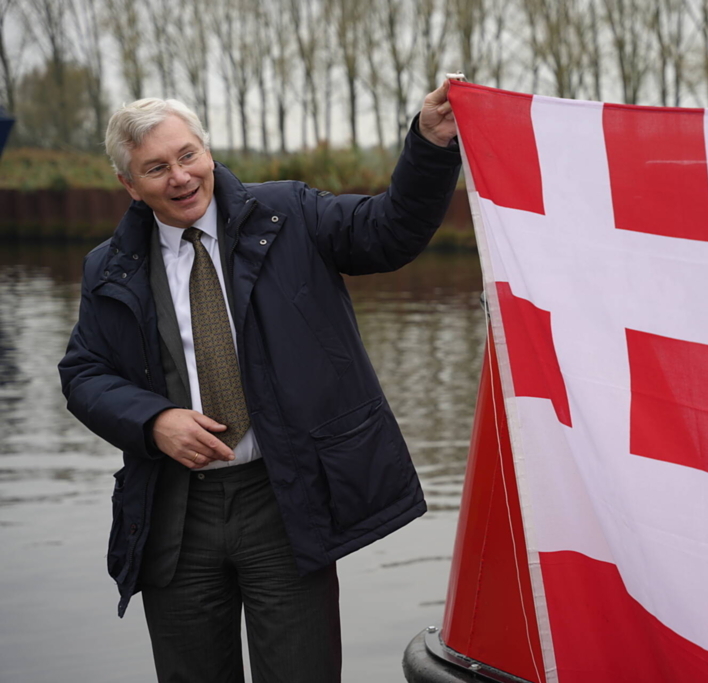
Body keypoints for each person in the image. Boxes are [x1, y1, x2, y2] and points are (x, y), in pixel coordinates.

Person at [57, 82, 461, 682]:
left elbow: (390, 229)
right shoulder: (110, 266)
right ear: (129, 184)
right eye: (157, 168)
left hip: (284, 500)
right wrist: (153, 420)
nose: (181, 177)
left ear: (207, 150)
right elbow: (83, 373)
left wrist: (429, 144)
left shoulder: (288, 213)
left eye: (188, 155)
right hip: (174, 515)